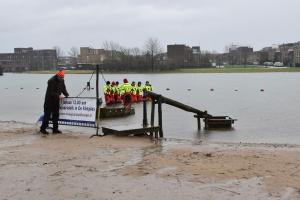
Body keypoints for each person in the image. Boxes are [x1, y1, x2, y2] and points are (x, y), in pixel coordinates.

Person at [40, 70, 69, 134]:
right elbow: (51, 92)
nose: (62, 78)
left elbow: (63, 89)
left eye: (62, 77)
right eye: (61, 77)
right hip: (49, 101)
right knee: (47, 115)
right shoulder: (51, 81)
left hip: (56, 101)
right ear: (58, 75)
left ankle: (55, 129)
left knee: (56, 115)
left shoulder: (62, 81)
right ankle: (42, 129)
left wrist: (66, 94)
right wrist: (58, 96)